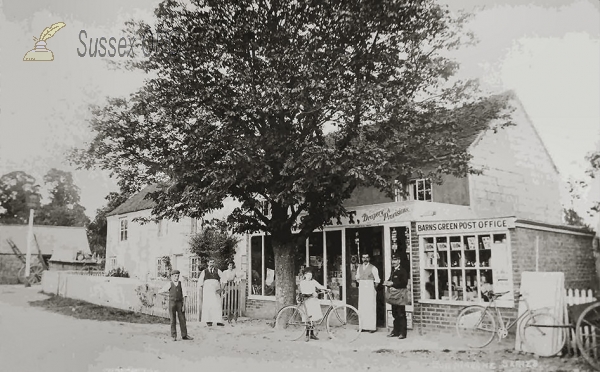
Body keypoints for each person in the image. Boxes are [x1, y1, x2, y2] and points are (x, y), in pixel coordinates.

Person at [158, 270, 193, 341]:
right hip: (172, 303)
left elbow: (185, 295)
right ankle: (173, 336)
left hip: (180, 303)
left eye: (178, 276)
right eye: (175, 276)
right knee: (172, 320)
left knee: (182, 319)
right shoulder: (169, 284)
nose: (176, 277)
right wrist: (168, 295)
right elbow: (160, 291)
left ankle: (184, 335)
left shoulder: (181, 284)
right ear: (172, 276)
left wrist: (184, 305)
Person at [299, 266, 328, 342]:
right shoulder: (302, 283)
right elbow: (304, 293)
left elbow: (319, 286)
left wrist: (326, 289)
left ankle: (311, 334)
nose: (309, 276)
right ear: (304, 275)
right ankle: (306, 334)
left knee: (313, 319)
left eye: (310, 274)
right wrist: (312, 294)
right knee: (308, 318)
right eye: (308, 274)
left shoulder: (313, 281)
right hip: (307, 301)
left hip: (313, 301)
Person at [383, 255, 409, 339]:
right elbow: (392, 279)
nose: (393, 262)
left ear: (399, 261)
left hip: (400, 295)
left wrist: (393, 284)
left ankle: (403, 333)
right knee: (395, 313)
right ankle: (395, 331)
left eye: (395, 260)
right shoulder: (393, 270)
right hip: (394, 295)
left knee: (401, 313)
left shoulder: (403, 271)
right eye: (392, 260)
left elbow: (404, 283)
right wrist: (387, 282)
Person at [356, 253, 380, 332]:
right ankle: (362, 326)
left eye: (367, 257)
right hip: (362, 288)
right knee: (362, 307)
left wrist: (372, 288)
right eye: (363, 257)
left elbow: (377, 280)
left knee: (370, 307)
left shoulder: (373, 268)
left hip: (370, 288)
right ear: (362, 258)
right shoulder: (359, 267)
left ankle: (371, 327)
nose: (365, 259)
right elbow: (357, 278)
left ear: (369, 258)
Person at [199, 259, 225, 326]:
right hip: (207, 292)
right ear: (208, 263)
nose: (212, 264)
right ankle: (208, 321)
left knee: (217, 305)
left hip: (215, 292)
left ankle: (218, 321)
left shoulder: (218, 271)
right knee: (208, 306)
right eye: (210, 262)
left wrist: (221, 289)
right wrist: (201, 293)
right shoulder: (204, 272)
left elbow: (224, 280)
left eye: (213, 262)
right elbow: (200, 283)